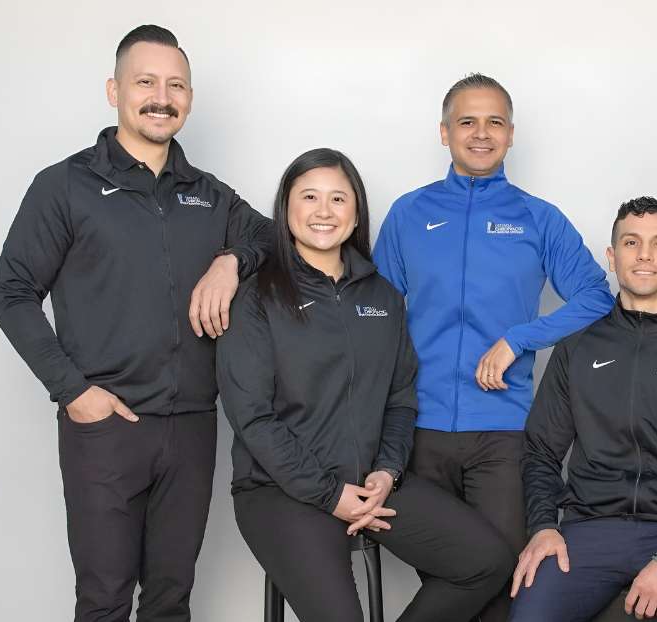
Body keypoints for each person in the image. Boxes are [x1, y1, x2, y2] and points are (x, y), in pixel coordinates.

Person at [0, 25, 272, 622]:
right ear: (114, 90)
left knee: (171, 601)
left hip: (192, 426)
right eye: (145, 82)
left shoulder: (210, 195)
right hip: (106, 426)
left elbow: (274, 239)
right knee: (104, 600)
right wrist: (73, 393)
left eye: (175, 85)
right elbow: (13, 294)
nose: (160, 97)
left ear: (190, 98)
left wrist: (231, 259)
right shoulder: (65, 187)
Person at [216, 148, 517, 622]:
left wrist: (388, 472)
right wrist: (328, 494)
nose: (323, 211)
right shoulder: (257, 295)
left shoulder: (383, 296)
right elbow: (252, 416)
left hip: (372, 483)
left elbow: (400, 398)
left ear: (356, 212)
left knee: (488, 562)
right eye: (309, 196)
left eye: (339, 199)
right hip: (280, 491)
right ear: (286, 206)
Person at [373, 73, 615, 621]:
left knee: (505, 577)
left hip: (505, 433)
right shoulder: (409, 214)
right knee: (455, 579)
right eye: (467, 122)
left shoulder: (538, 217)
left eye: (495, 122)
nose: (481, 134)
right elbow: (376, 318)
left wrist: (519, 338)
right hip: (418, 428)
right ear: (444, 133)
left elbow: (597, 296)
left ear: (510, 134)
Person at [508, 198, 657, 622]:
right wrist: (544, 525)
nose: (644, 254)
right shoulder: (579, 346)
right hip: (589, 529)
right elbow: (541, 452)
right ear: (611, 256)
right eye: (631, 242)